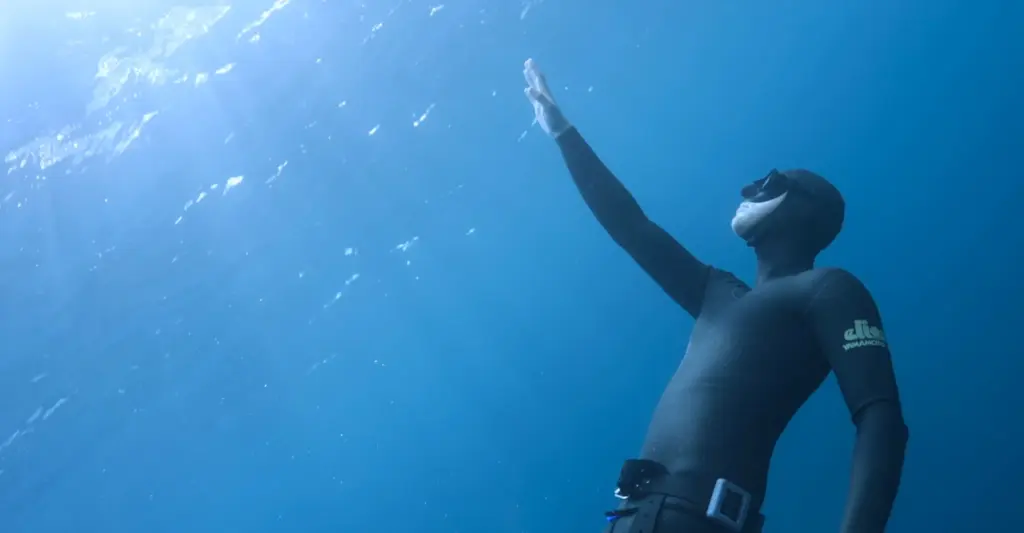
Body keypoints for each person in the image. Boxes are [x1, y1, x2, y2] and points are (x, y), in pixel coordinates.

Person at [522, 58, 909, 533]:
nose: (749, 190)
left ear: (806, 209)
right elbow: (630, 226)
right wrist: (565, 135)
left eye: (770, 182)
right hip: (629, 521)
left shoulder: (827, 289)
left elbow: (880, 417)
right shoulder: (715, 292)